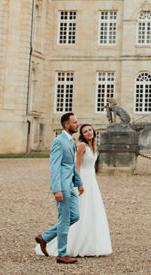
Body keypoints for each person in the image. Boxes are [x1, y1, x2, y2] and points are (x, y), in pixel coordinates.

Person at [34, 122, 113, 258]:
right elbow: (77, 166)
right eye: (85, 131)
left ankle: (90, 243)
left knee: (92, 211)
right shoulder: (82, 146)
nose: (89, 132)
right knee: (79, 213)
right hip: (84, 179)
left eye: (90, 130)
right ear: (82, 135)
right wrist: (78, 183)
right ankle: (67, 244)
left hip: (92, 181)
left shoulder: (93, 146)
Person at [35, 112, 84, 264]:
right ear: (66, 125)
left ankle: (45, 237)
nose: (77, 125)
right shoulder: (59, 141)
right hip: (62, 185)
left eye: (77, 122)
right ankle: (62, 253)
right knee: (64, 219)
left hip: (69, 184)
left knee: (74, 216)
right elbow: (54, 166)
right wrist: (56, 189)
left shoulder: (70, 141)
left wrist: (79, 182)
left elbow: (71, 165)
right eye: (75, 122)